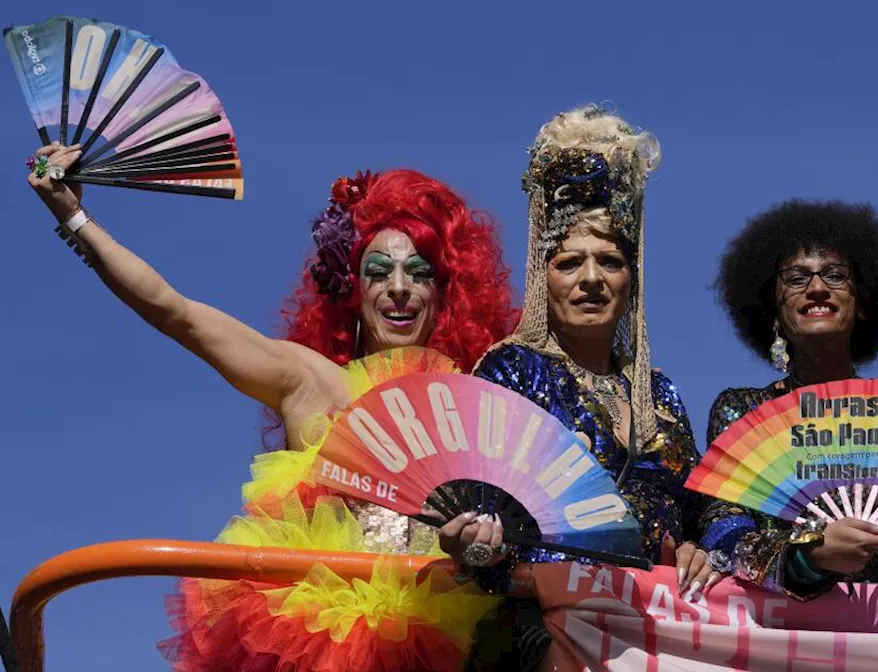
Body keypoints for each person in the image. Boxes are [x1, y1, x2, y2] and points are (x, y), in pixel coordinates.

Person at [27, 145, 517, 670]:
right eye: (379, 271)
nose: (399, 289)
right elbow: (177, 313)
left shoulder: (482, 400)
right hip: (318, 643)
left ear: (446, 292)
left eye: (419, 272)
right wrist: (72, 215)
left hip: (454, 645)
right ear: (354, 290)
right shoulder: (308, 382)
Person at [431, 104, 703, 671]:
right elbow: (483, 522)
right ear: (542, 275)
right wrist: (479, 542)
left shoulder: (662, 395)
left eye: (609, 261)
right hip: (539, 638)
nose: (590, 280)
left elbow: (705, 511)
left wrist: (709, 548)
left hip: (656, 643)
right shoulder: (512, 373)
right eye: (569, 262)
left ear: (633, 278)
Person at [691, 198, 878, 601]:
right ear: (774, 310)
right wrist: (808, 554)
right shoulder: (743, 410)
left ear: (864, 301)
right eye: (797, 278)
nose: (817, 288)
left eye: (834, 275)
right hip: (776, 640)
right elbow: (722, 529)